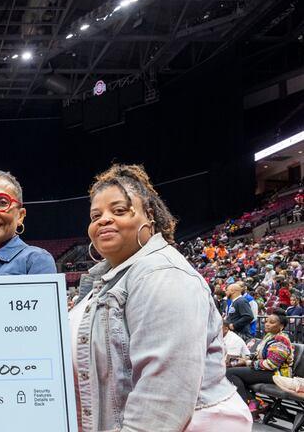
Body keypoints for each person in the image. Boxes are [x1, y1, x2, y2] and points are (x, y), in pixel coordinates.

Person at [70, 164, 250, 431]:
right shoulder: (112, 277)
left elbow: (162, 401)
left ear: (149, 216)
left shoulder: (163, 274)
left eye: (119, 210)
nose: (103, 220)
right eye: (95, 215)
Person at [226, 309, 293, 414]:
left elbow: (271, 364)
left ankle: (248, 405)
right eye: (266, 321)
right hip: (267, 371)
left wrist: (248, 363)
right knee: (230, 369)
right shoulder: (269, 336)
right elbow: (259, 355)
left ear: (281, 326)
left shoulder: (281, 340)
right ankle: (254, 402)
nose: (266, 324)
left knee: (230, 373)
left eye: (271, 322)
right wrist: (246, 358)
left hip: (278, 374)